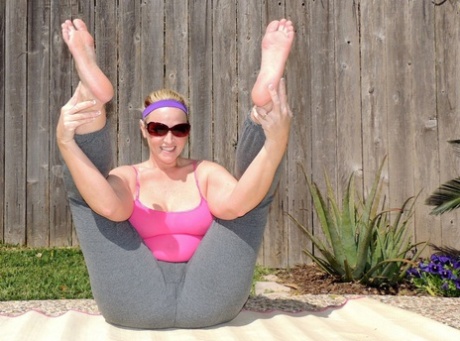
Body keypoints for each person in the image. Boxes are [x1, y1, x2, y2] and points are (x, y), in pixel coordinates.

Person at [57, 18, 294, 329]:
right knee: (94, 201)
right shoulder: (129, 176)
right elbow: (110, 207)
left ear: (188, 132)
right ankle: (90, 92)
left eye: (179, 129)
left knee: (249, 202)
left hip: (210, 297)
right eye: (158, 129)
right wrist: (65, 140)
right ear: (144, 130)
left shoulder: (205, 173)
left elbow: (237, 204)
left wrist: (276, 143)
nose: (169, 140)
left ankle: (267, 102)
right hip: (133, 297)